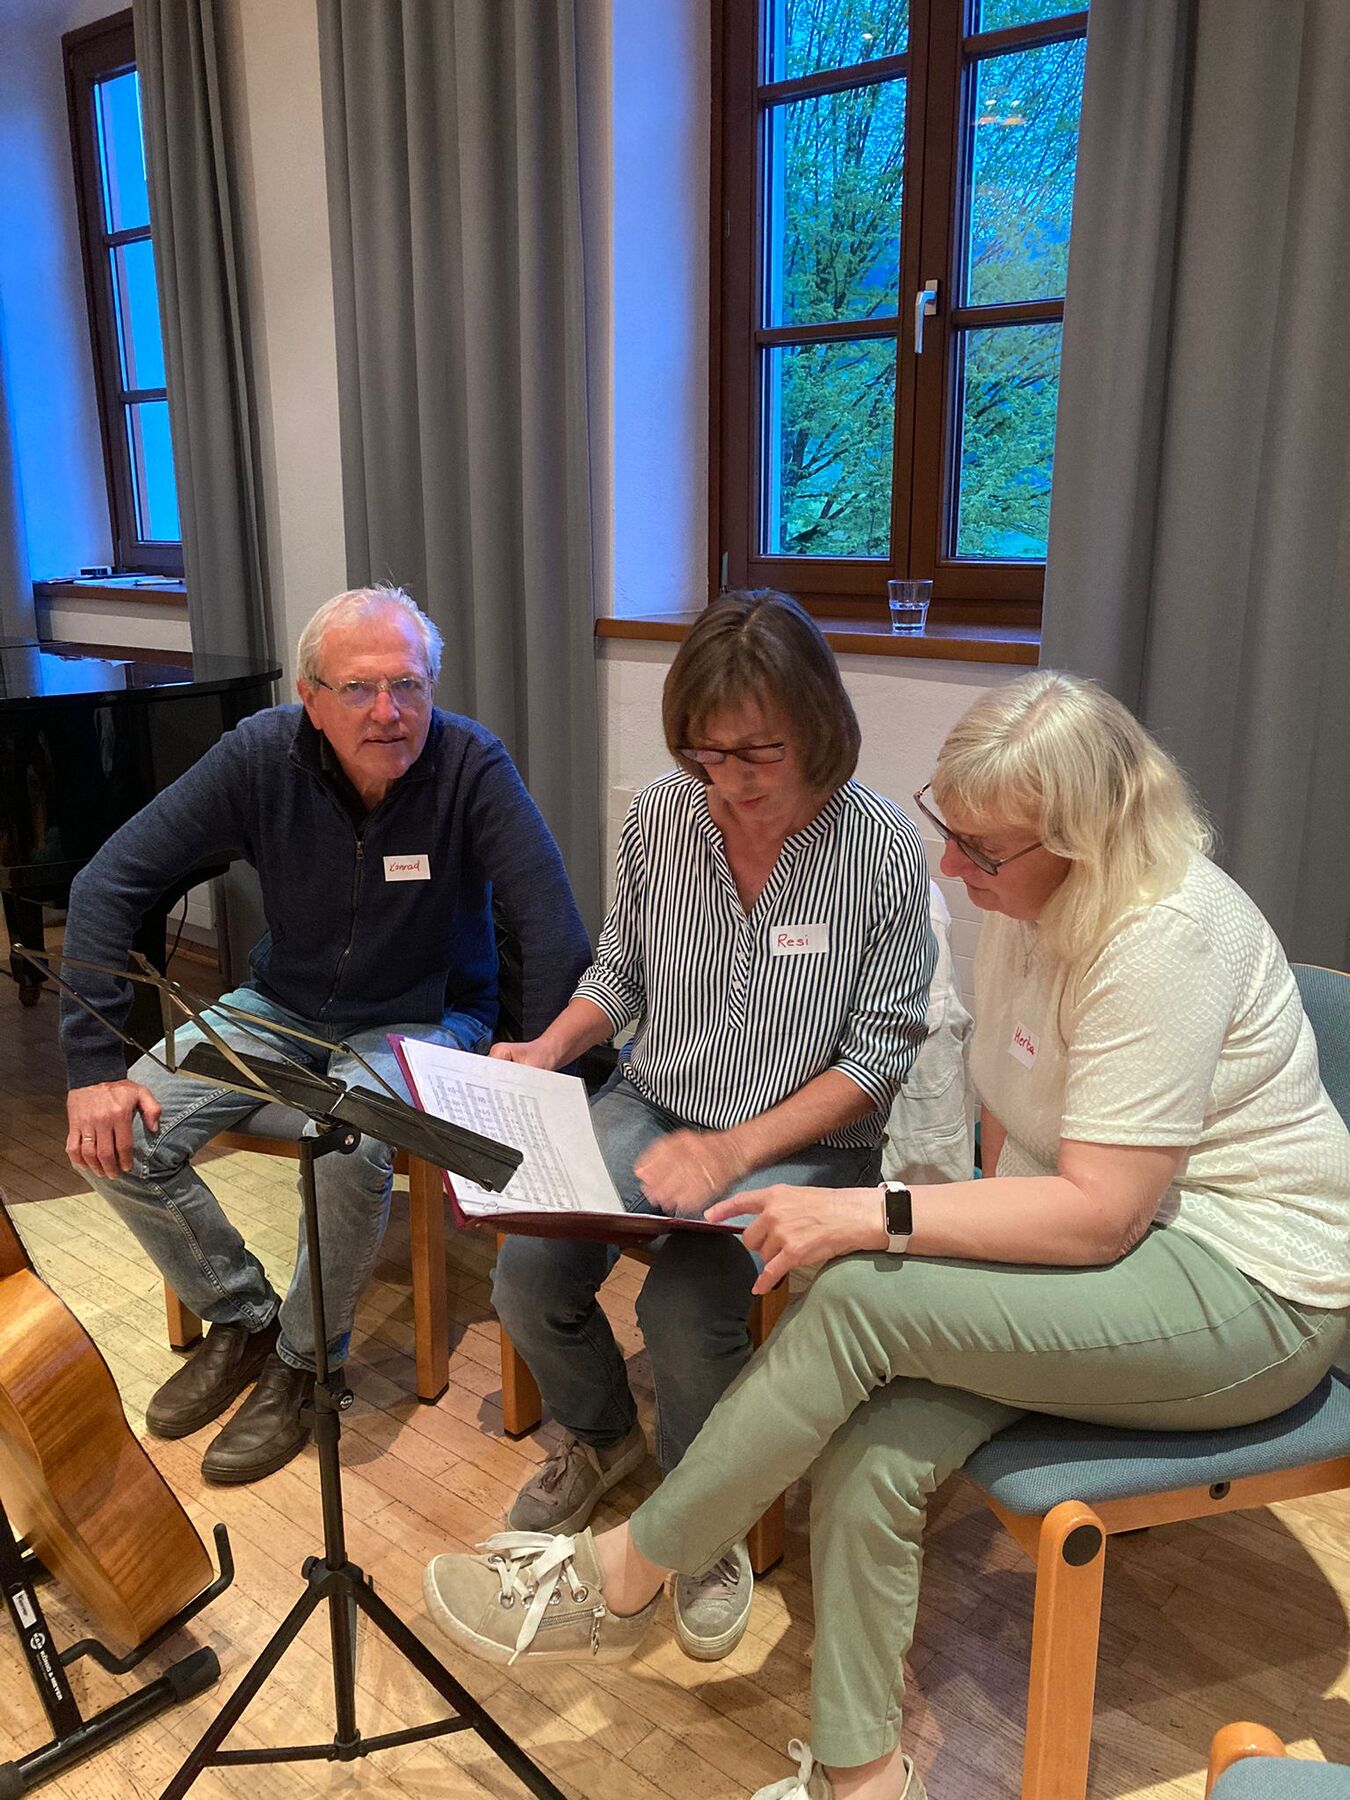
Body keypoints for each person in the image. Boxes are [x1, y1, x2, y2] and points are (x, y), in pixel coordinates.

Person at [422, 670, 1350, 1800]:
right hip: (1127, 1257)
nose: (951, 869)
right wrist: (941, 1233)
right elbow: (1021, 1127)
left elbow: (1102, 1213)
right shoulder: (1028, 901)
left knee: (861, 1292)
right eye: (947, 831)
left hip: (1252, 1286)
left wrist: (873, 1213)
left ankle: (623, 1576)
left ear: (1084, 839)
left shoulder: (1164, 933)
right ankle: (861, 1775)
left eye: (982, 850)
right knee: (875, 1440)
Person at [487, 589, 935, 1662]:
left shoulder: (881, 851)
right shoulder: (662, 816)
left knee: (688, 1313)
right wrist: (551, 1048)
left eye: (757, 754)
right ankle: (605, 1439)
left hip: (807, 1142)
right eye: (706, 755)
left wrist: (733, 1151)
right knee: (528, 1271)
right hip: (657, 1099)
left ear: (816, 725)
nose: (730, 782)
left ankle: (698, 1521)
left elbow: (878, 1059)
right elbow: (620, 972)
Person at [61, 584, 589, 1484]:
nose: (389, 712)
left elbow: (552, 926)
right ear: (310, 697)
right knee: (112, 1141)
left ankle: (309, 1364)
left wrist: (539, 1067)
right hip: (279, 1005)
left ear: (431, 688)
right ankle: (243, 1316)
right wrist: (90, 1068)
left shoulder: (470, 764)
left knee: (348, 1143)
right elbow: (106, 883)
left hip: (426, 1017)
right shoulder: (259, 755)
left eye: (408, 685)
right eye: (359, 689)